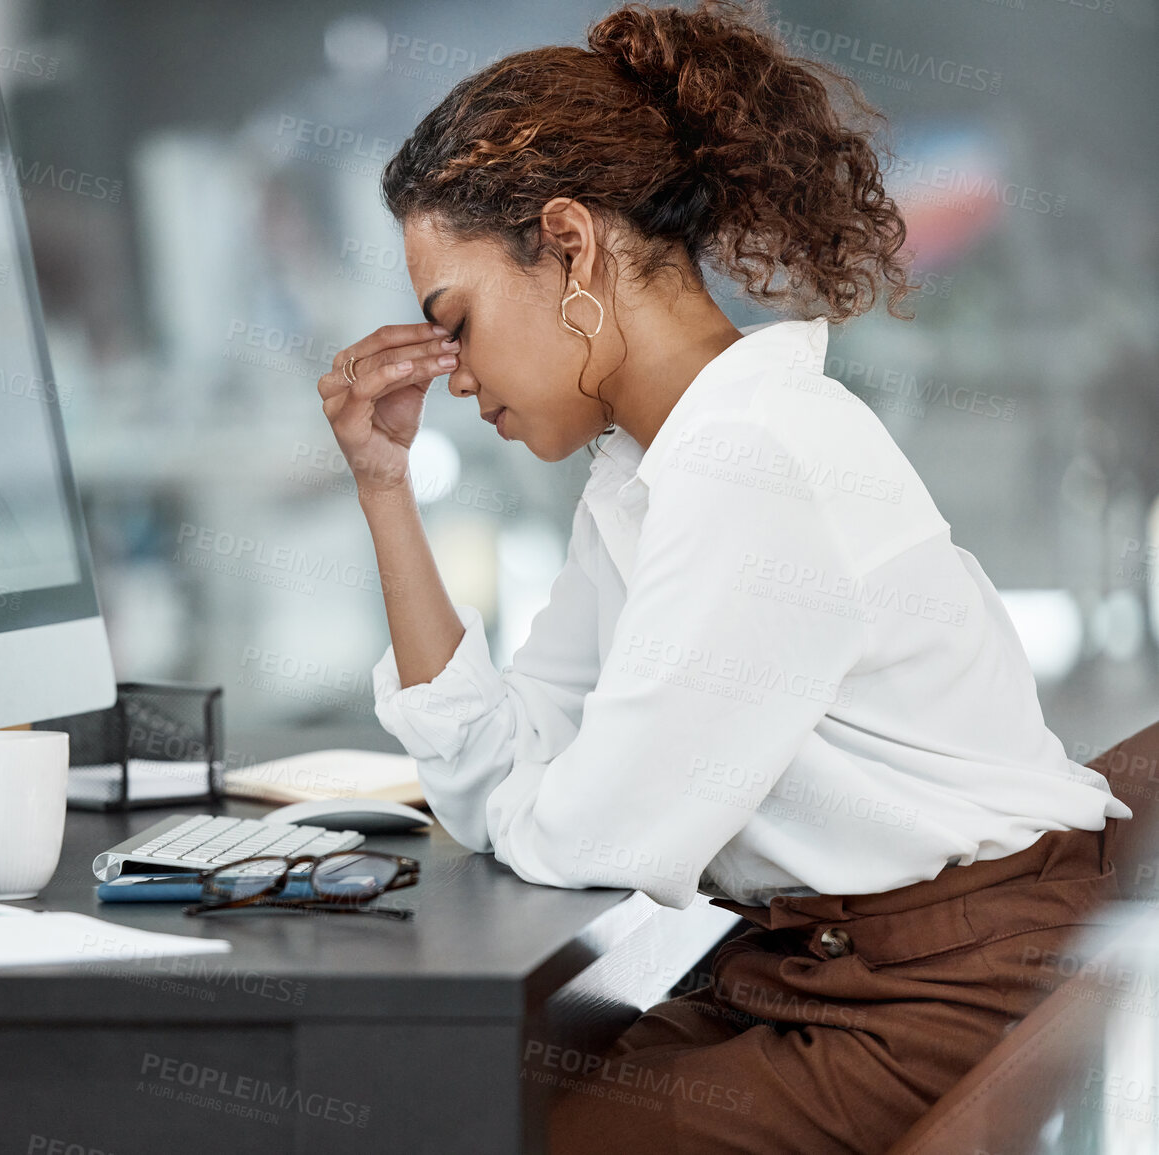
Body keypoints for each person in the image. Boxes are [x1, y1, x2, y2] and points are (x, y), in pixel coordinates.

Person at [313, 2, 1132, 1151]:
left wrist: (534, 800)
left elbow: (589, 836)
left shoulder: (748, 466)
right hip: (823, 969)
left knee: (477, 1123)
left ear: (571, 244)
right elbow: (509, 771)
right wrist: (384, 492)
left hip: (942, 992)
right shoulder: (650, 470)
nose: (453, 375)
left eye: (457, 321)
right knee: (454, 1100)